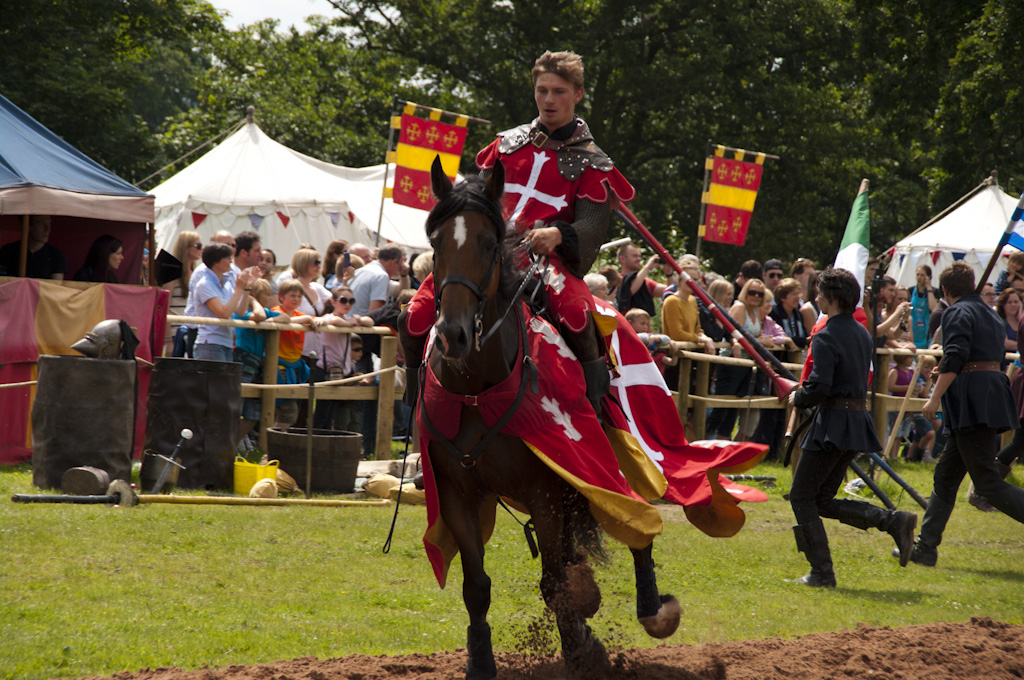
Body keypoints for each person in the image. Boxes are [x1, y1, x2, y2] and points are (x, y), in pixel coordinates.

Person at [403, 50, 636, 420]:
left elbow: (591, 227)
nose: (548, 100)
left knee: (577, 316)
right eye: (541, 90)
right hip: (488, 251)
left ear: (577, 94)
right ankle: (419, 415)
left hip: (547, 261)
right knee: (414, 316)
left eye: (558, 91)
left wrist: (559, 234)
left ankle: (596, 417)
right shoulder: (507, 144)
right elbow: (480, 200)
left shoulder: (594, 164)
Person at [787, 266, 918, 587]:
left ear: (831, 298)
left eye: (819, 293)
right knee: (822, 499)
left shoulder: (827, 333)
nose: (815, 297)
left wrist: (796, 396)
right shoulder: (861, 333)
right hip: (855, 423)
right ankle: (892, 521)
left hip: (833, 424)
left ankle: (822, 573)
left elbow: (819, 386)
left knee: (802, 497)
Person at [897, 262, 1024, 566]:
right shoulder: (989, 315)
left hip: (973, 397)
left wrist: (933, 399)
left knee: (987, 483)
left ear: (945, 290)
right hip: (986, 393)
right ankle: (925, 547)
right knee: (946, 475)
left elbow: (955, 357)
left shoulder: (957, 312)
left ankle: (925, 546)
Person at [705, 277, 766, 440]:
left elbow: (757, 335)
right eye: (752, 292)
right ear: (745, 292)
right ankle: (702, 439)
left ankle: (724, 448)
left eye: (760, 294)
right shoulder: (739, 308)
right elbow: (737, 337)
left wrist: (764, 339)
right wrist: (761, 342)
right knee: (722, 407)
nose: (756, 296)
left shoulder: (755, 310)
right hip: (731, 362)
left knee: (735, 407)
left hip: (745, 364)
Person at [312, 285, 373, 430]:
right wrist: (350, 322)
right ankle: (315, 446)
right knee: (322, 413)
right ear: (333, 302)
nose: (347, 304)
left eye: (351, 301)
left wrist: (356, 318)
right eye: (343, 300)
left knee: (331, 413)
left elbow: (370, 322)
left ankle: (324, 444)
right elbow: (333, 321)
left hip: (340, 373)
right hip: (326, 371)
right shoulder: (329, 317)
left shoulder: (348, 319)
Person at [192, 243, 257, 362]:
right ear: (216, 262)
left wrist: (246, 288)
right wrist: (238, 289)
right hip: (210, 344)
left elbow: (241, 311)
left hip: (225, 344)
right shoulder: (204, 284)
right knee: (215, 381)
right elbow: (224, 313)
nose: (231, 262)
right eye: (227, 258)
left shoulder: (225, 284)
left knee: (223, 381)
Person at [271, 279, 317, 430]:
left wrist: (320, 321)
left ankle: (273, 448)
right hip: (280, 368)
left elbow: (317, 320)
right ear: (282, 297)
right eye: (292, 295)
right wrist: (307, 319)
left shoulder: (300, 314)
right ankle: (273, 448)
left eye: (299, 296)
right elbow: (284, 320)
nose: (296, 299)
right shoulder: (277, 310)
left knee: (288, 412)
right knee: (287, 412)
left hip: (293, 369)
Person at [0, 215, 67, 280]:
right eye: (41, 223)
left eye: (49, 223)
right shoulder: (8, 252)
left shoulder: (56, 256)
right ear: (28, 226)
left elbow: (56, 287)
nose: (47, 228)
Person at [349, 246, 405, 316]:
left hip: (347, 322)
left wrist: (404, 275)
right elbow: (375, 314)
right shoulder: (381, 276)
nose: (398, 271)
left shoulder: (359, 271)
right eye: (399, 266)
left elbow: (400, 290)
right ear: (393, 262)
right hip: (362, 324)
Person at [616, 243, 666, 315]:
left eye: (639, 256)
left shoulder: (645, 282)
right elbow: (629, 290)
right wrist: (647, 267)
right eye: (634, 256)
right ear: (622, 259)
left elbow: (669, 291)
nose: (639, 259)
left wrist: (669, 273)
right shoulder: (616, 280)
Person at [769, 277, 810, 349]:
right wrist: (804, 340)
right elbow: (781, 337)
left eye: (798, 294)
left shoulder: (798, 313)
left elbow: (803, 335)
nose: (797, 298)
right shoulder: (773, 312)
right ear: (782, 297)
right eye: (794, 294)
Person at [909, 265, 938, 349]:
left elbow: (934, 309)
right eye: (917, 275)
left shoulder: (934, 292)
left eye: (922, 275)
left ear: (929, 277)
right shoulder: (910, 291)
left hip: (927, 330)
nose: (919, 277)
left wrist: (929, 288)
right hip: (913, 329)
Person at [996, 288, 1021, 355]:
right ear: (1003, 305)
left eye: (1016, 302)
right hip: (1008, 362)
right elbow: (1005, 343)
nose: (1013, 305)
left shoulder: (1021, 321)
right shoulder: (999, 321)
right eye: (1009, 302)